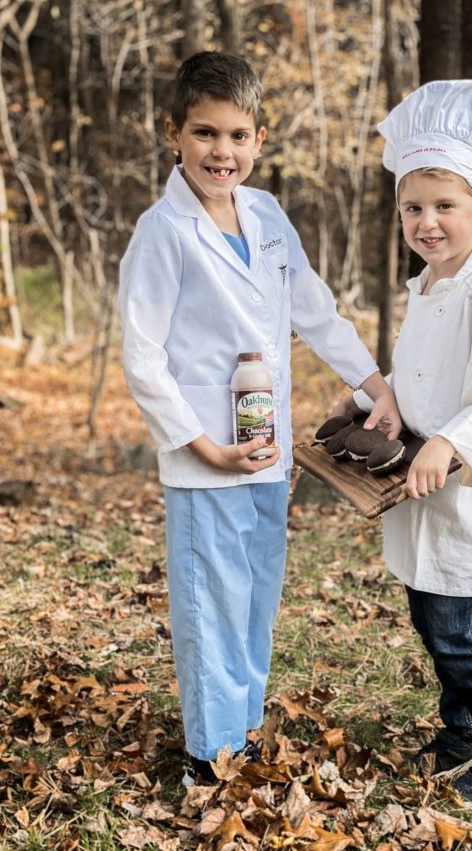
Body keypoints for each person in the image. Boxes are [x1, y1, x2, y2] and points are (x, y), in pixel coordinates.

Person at [119, 51, 401, 786]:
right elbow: (142, 358)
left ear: (261, 139)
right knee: (210, 602)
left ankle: (241, 732)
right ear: (173, 133)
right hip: (207, 457)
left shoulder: (268, 214)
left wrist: (378, 388)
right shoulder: (163, 232)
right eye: (206, 134)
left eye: (239, 135)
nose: (223, 152)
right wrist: (203, 446)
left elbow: (315, 312)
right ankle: (207, 759)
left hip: (266, 450)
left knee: (255, 596)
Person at [336, 80, 472, 808]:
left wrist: (447, 444)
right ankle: (460, 731)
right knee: (429, 612)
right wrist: (376, 402)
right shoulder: (427, 284)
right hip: (416, 482)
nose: (428, 222)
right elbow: (415, 371)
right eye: (413, 208)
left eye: (445, 207)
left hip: (460, 483)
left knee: (458, 625)